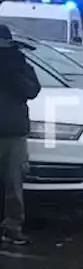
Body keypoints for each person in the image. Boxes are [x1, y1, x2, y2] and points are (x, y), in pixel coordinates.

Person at [0, 24, 41, 246]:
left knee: (13, 184)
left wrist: (12, 73)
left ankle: (12, 227)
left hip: (13, 132)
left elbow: (33, 90)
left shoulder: (18, 63)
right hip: (13, 130)